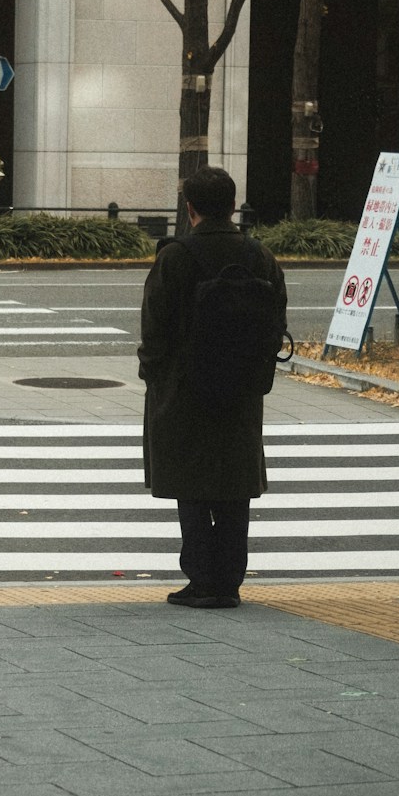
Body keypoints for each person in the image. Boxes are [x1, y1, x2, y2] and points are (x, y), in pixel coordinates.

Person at [139, 165, 287, 609]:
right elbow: (276, 321)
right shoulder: (260, 256)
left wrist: (154, 376)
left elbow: (155, 328)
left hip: (184, 388)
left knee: (191, 484)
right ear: (233, 205)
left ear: (190, 208)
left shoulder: (175, 257)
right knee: (234, 486)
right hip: (243, 388)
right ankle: (228, 580)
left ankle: (202, 578)